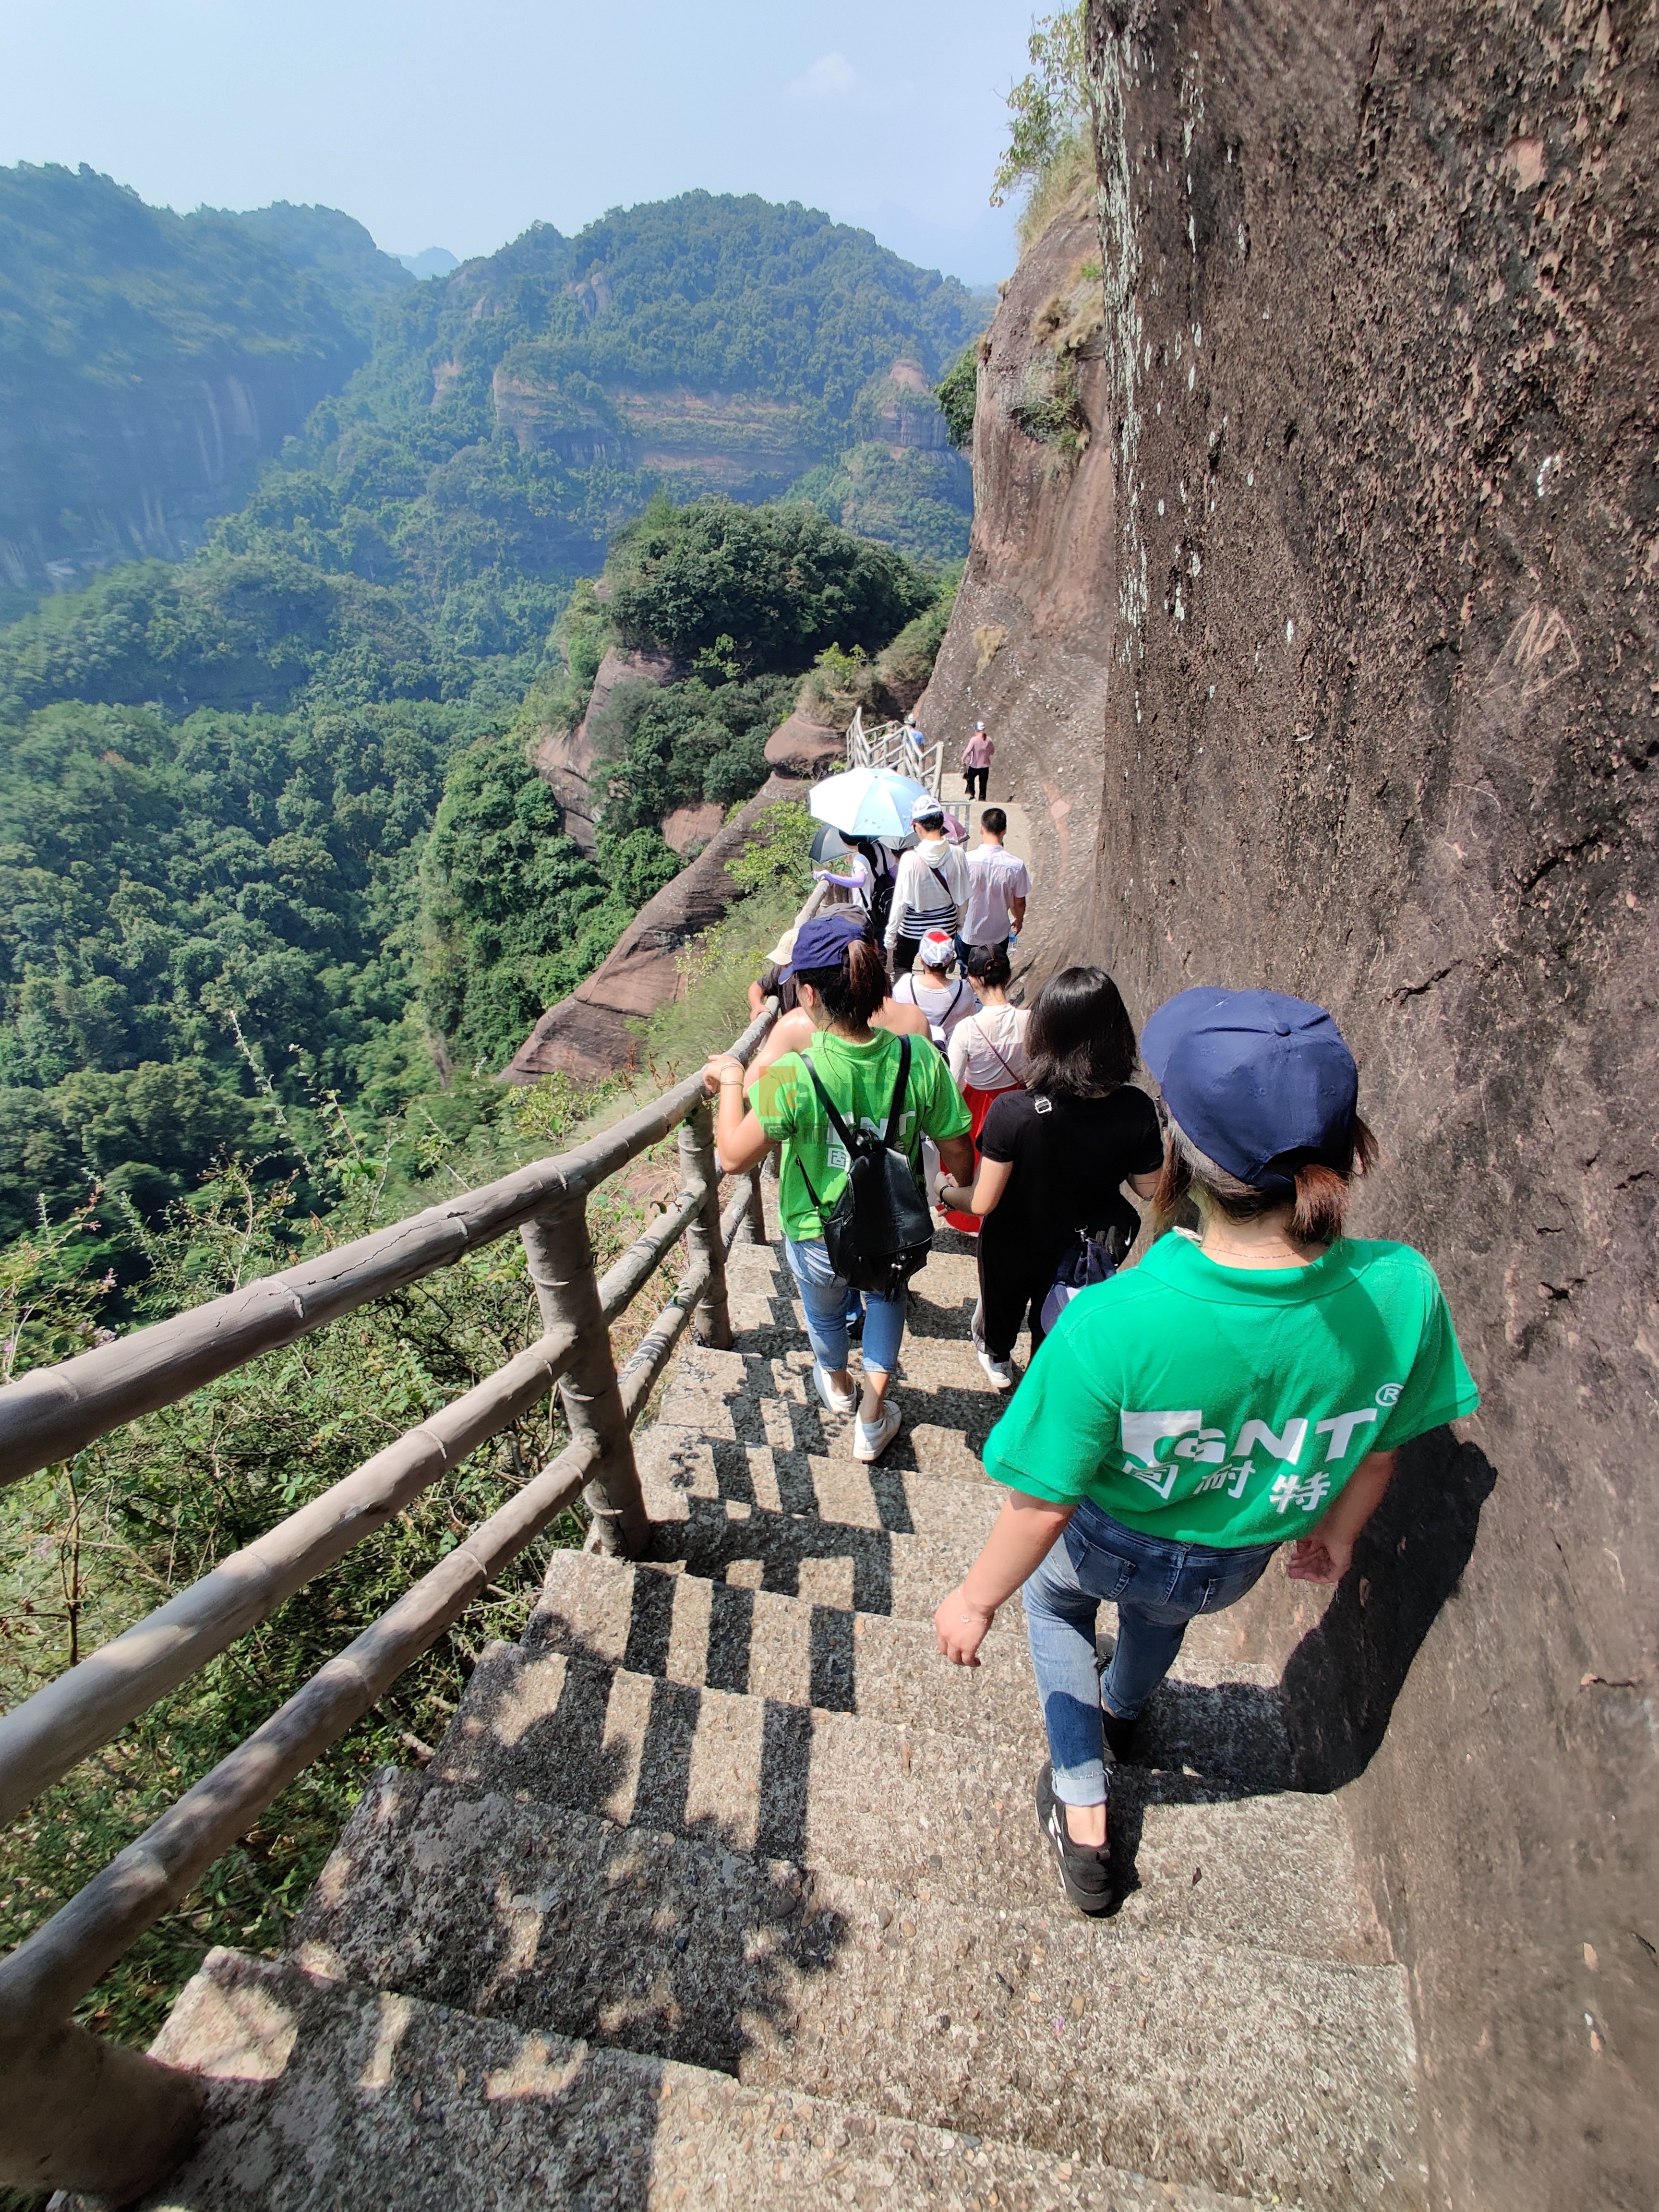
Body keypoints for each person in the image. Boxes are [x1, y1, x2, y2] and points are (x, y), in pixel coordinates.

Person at [932, 986, 1481, 1918]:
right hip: (1238, 1557)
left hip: (1110, 1533)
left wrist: (973, 1599)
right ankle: (1127, 1716)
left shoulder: (1111, 1322)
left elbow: (1041, 1505)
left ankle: (1084, 1810)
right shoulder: (1405, 1292)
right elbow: (1381, 1454)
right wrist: (1339, 1538)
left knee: (1056, 1610)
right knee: (1161, 1621)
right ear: (1346, 1146)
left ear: (1181, 1153)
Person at [705, 912, 974, 1464]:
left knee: (826, 1314)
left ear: (807, 994)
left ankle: (838, 1383)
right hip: (894, 1224)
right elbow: (956, 1151)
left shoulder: (794, 1073)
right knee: (887, 1298)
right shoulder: (918, 1056)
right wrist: (957, 1185)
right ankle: (873, 1418)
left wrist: (733, 1079)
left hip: (815, 1230)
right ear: (875, 983)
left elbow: (732, 1155)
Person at [938, 966, 1162, 1388]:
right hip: (1083, 1246)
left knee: (1001, 1311)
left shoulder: (1014, 1112)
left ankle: (1000, 1362)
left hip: (1014, 1240)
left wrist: (946, 1192)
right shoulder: (1136, 1108)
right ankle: (1044, 1380)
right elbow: (1148, 1187)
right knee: (1056, 1320)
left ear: (1044, 1033)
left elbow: (984, 1202)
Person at [939, 945, 1030, 1235]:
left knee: (980, 1170)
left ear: (973, 979)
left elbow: (952, 1082)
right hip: (1019, 1100)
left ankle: (979, 1221)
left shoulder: (968, 1029)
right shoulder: (1029, 1021)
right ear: (1009, 975)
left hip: (979, 1107)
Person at [886, 794, 970, 973]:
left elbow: (901, 903)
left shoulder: (910, 858)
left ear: (917, 826)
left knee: (902, 967)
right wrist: (959, 924)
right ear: (942, 824)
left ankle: (908, 997)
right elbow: (963, 900)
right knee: (938, 973)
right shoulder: (958, 854)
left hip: (912, 929)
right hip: (946, 926)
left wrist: (890, 934)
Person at [891, 930, 982, 1052]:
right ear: (949, 962)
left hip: (913, 1054)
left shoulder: (904, 985)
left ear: (922, 960)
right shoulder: (965, 990)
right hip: (948, 1056)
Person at [959, 807, 1029, 963]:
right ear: (1004, 831)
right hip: (998, 934)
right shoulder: (1016, 866)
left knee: (968, 973)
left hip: (969, 932)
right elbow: (1019, 901)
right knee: (993, 975)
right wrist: (1019, 920)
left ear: (981, 828)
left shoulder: (966, 860)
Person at [962, 721, 993, 802]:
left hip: (975, 766)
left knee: (970, 780)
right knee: (983, 784)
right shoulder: (989, 740)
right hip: (985, 767)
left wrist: (963, 758)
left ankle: (972, 795)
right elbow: (992, 751)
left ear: (976, 730)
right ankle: (982, 798)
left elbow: (968, 750)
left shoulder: (974, 740)